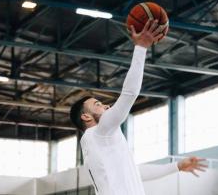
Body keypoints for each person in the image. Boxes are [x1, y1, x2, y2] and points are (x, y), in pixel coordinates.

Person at [70, 19, 207, 195]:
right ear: (86, 117)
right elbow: (129, 94)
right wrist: (141, 47)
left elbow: (134, 172)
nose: (106, 105)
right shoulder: (100, 133)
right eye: (97, 104)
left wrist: (177, 166)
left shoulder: (99, 143)